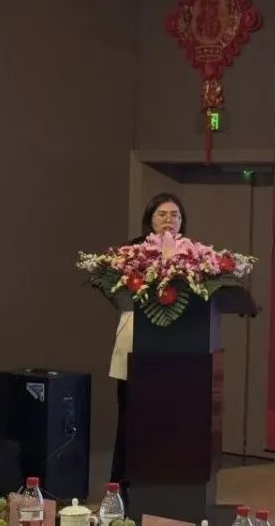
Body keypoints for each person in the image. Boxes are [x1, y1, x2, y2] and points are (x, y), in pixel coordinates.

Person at [110, 193, 188, 505]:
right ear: (149, 219)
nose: (169, 220)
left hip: (176, 352)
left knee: (169, 420)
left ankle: (166, 489)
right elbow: (118, 293)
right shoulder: (132, 253)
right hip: (136, 342)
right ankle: (122, 487)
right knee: (130, 418)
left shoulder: (192, 255)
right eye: (162, 214)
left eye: (175, 215)